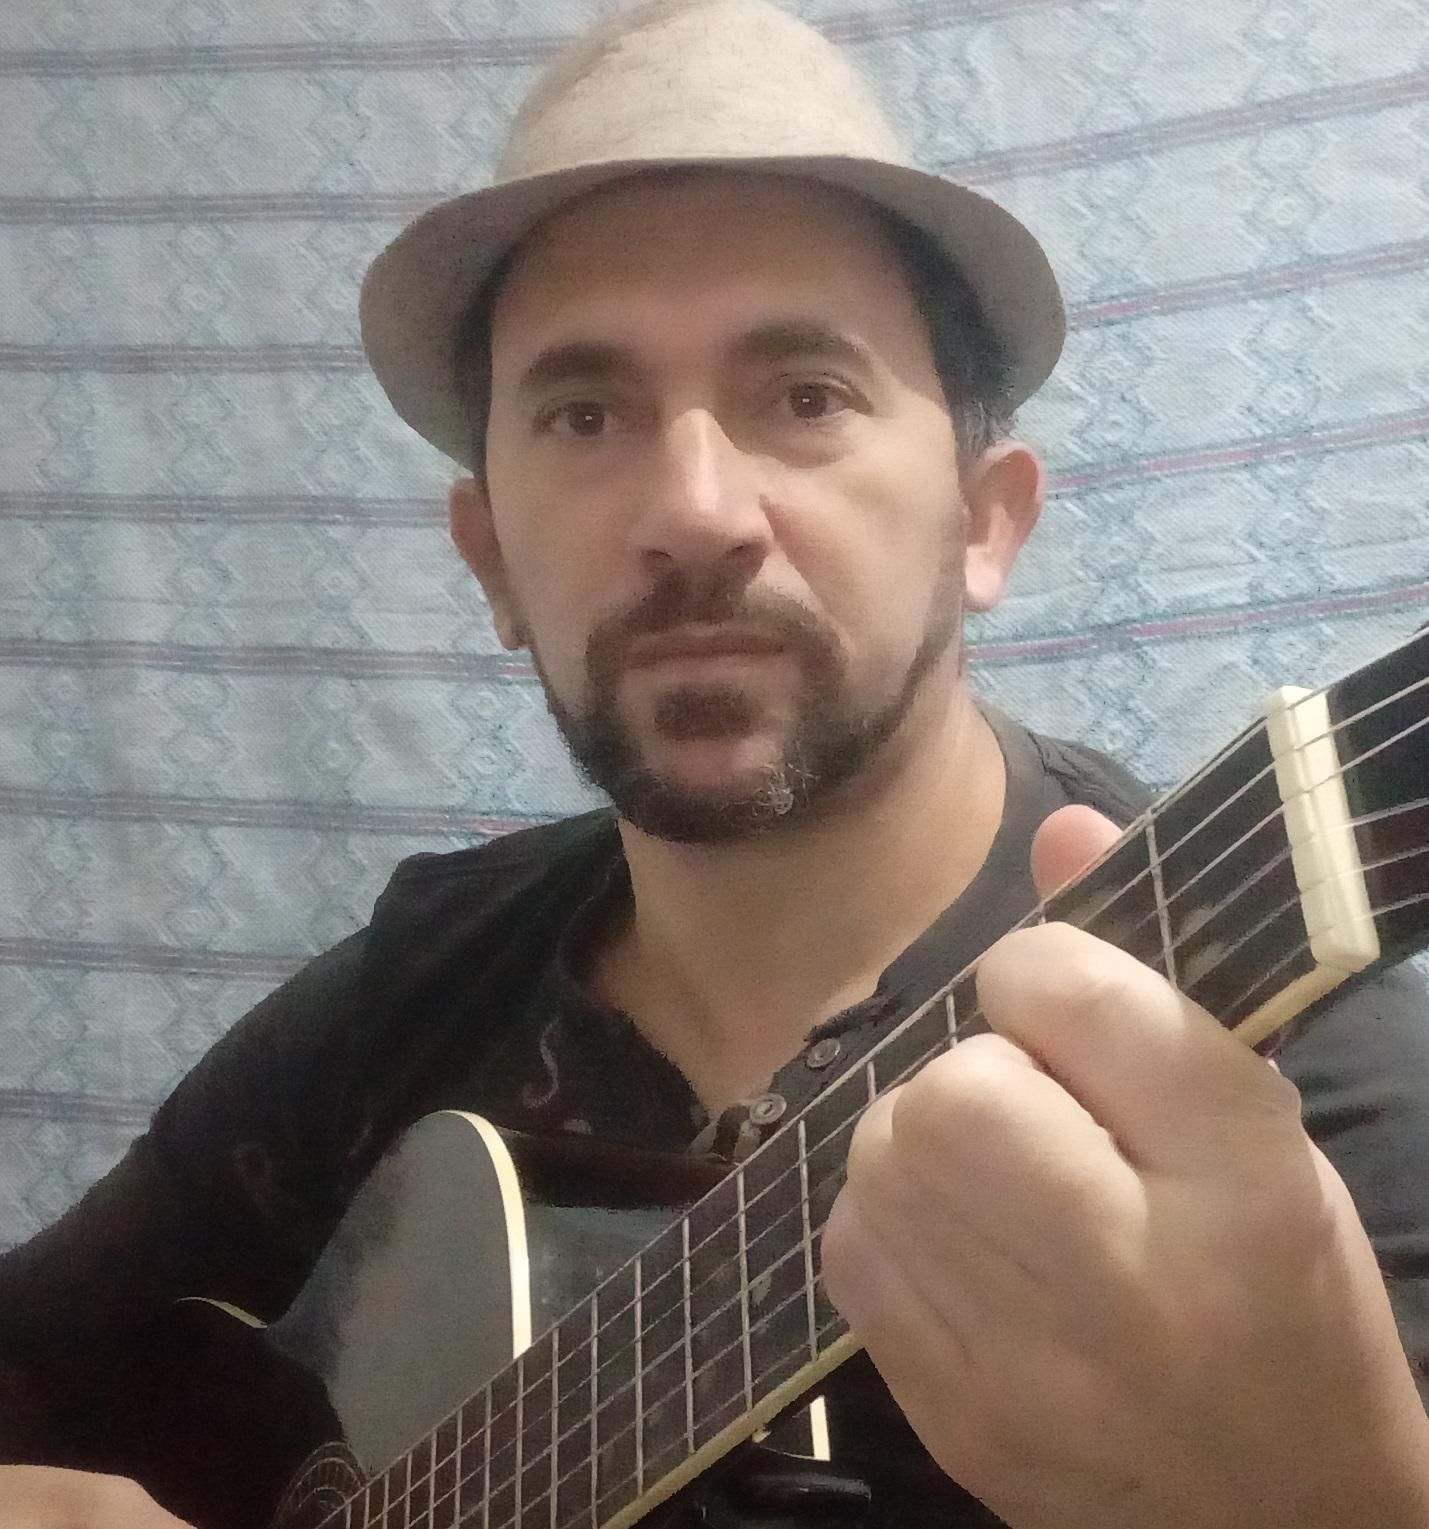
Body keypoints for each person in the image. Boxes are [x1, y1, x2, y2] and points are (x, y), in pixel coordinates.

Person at [4, 1, 1429, 1525]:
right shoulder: (412, 996)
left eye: (805, 396)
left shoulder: (1294, 1089)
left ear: (982, 519)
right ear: (491, 560)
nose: (692, 509)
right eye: (585, 413)